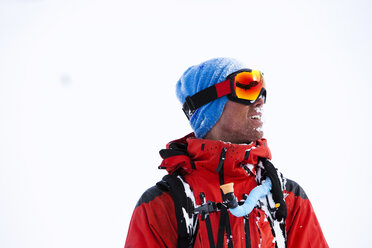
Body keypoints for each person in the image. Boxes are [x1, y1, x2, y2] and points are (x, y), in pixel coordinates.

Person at [124, 58, 328, 248]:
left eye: (262, 90)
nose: (260, 101)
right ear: (209, 107)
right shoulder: (161, 204)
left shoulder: (287, 198)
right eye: (247, 88)